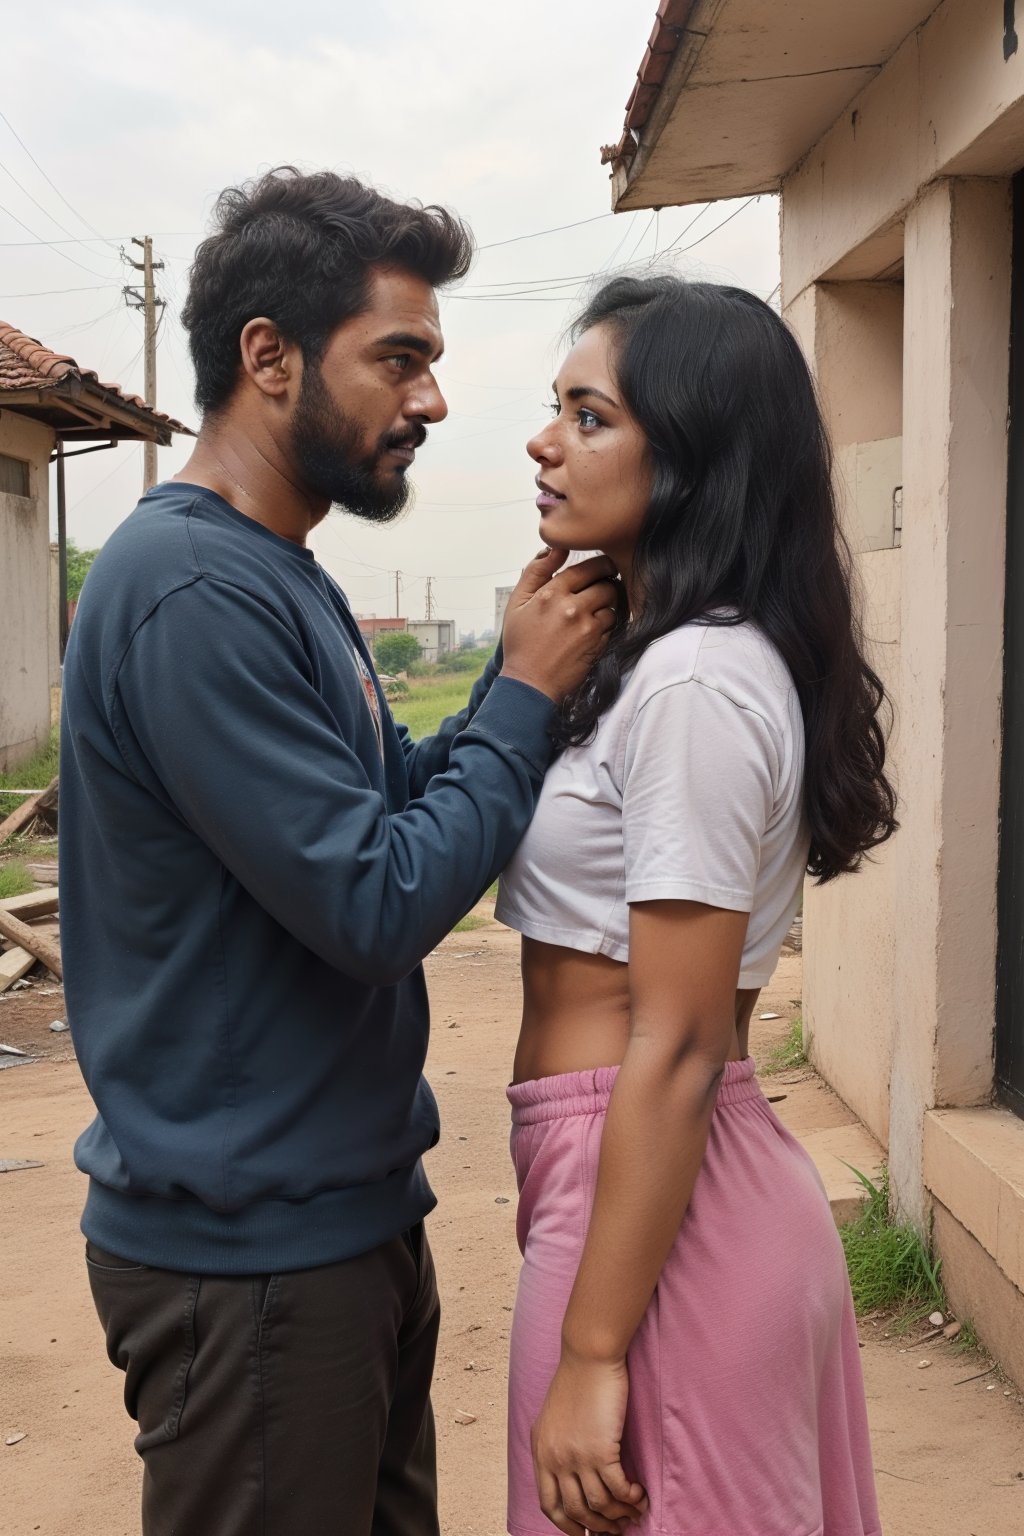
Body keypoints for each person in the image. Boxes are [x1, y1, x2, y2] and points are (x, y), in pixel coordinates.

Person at [58, 167, 619, 1536]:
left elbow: (379, 812)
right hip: (251, 1264)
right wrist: (525, 700)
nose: (430, 401)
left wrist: (512, 687)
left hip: (335, 1224)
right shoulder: (192, 593)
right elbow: (375, 901)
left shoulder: (281, 574)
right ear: (269, 356)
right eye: (401, 359)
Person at [495, 274, 898, 1536]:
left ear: (694, 456)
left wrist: (595, 1349)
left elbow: (674, 1040)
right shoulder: (660, 660)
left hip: (666, 1200)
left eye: (589, 414)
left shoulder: (693, 682)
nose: (544, 439)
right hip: (628, 1177)